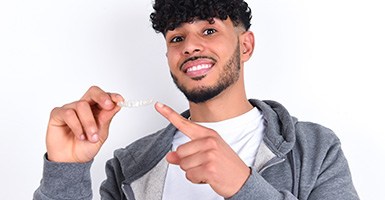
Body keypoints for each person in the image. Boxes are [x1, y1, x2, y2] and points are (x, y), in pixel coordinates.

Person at [34, 0, 359, 199]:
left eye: (208, 31)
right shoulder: (129, 166)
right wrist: (66, 170)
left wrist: (243, 186)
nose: (189, 46)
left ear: (245, 46)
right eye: (177, 37)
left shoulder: (316, 148)